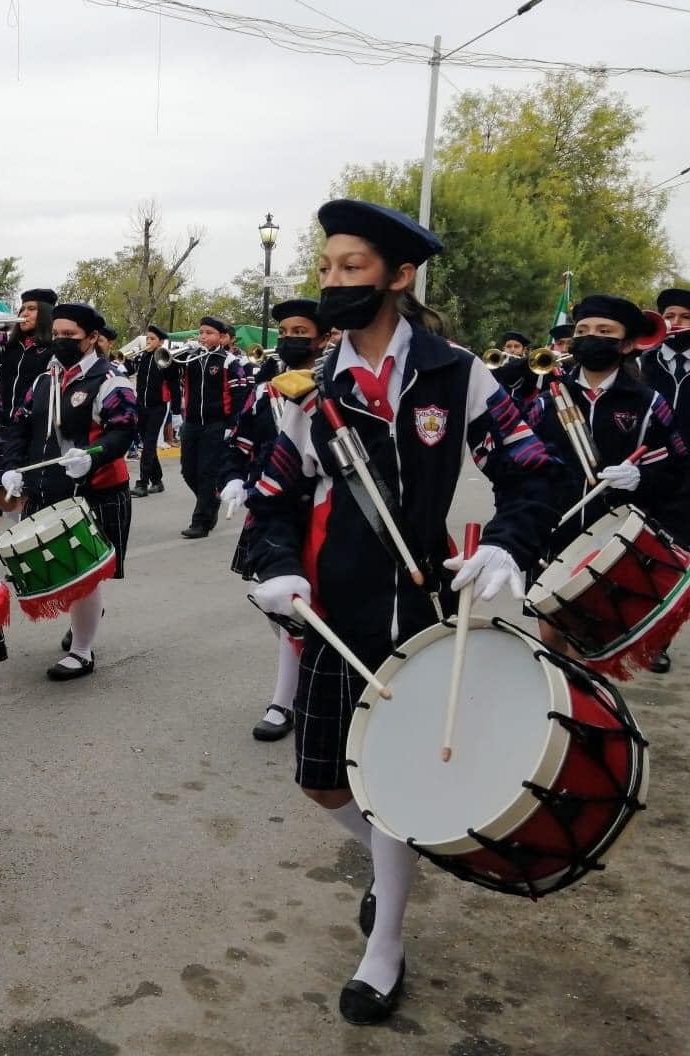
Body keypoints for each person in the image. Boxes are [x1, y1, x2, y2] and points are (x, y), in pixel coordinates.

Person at [247, 199, 558, 1025]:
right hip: (336, 616)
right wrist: (277, 569)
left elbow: (532, 471)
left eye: (351, 267)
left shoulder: (457, 375)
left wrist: (507, 546)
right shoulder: (310, 389)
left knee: (391, 783)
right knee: (324, 784)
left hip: (424, 616)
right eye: (326, 268)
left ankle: (385, 942)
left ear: (400, 275)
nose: (333, 281)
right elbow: (274, 500)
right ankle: (400, 861)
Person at [530, 293, 690, 674]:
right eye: (583, 330)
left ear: (627, 344)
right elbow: (520, 460)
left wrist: (641, 477)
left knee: (589, 639)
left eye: (605, 331)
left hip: (614, 536)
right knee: (549, 632)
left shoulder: (648, 403)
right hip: (555, 527)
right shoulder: (548, 398)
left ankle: (584, 698)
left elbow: (676, 466)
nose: (591, 338)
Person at [0, 302, 136, 679]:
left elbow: (123, 430)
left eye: (69, 335)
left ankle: (82, 651)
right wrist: (11, 467)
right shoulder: (45, 379)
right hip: (49, 488)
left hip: (95, 489)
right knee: (66, 576)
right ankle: (85, 618)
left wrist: (93, 457)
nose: (60, 341)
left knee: (84, 575)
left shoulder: (110, 380)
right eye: (56, 334)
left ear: (92, 338)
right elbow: (20, 425)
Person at [218, 299, 328, 741]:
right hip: (272, 510)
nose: (289, 339)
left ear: (323, 338)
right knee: (281, 608)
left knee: (308, 607)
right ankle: (295, 686)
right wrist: (231, 478)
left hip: (319, 512)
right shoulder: (264, 392)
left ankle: (285, 701)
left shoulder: (334, 390)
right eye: (283, 332)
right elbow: (238, 444)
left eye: (300, 331)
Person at [179, 316, 248, 539]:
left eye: (209, 333)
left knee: (207, 472)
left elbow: (240, 396)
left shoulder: (229, 361)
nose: (203, 336)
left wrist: (232, 426)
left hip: (216, 424)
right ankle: (212, 500)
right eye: (201, 332)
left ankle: (200, 521)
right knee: (188, 471)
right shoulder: (190, 358)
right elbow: (169, 374)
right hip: (192, 423)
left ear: (222, 337)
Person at [0, 289, 56, 422]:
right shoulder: (9, 345)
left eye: (31, 309)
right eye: (22, 309)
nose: (24, 313)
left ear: (45, 314)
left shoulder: (53, 350)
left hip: (28, 426)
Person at [131, 324, 181, 497]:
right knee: (147, 444)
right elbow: (129, 372)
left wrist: (176, 411)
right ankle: (157, 481)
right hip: (141, 405)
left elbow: (175, 386)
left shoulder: (165, 359)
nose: (148, 341)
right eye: (147, 338)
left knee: (149, 444)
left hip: (158, 406)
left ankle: (142, 484)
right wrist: (129, 360)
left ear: (160, 342)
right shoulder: (143, 357)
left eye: (152, 339)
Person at [640, 288, 690, 438]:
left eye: (686, 317)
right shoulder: (640, 363)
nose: (675, 322)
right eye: (669, 316)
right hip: (650, 449)